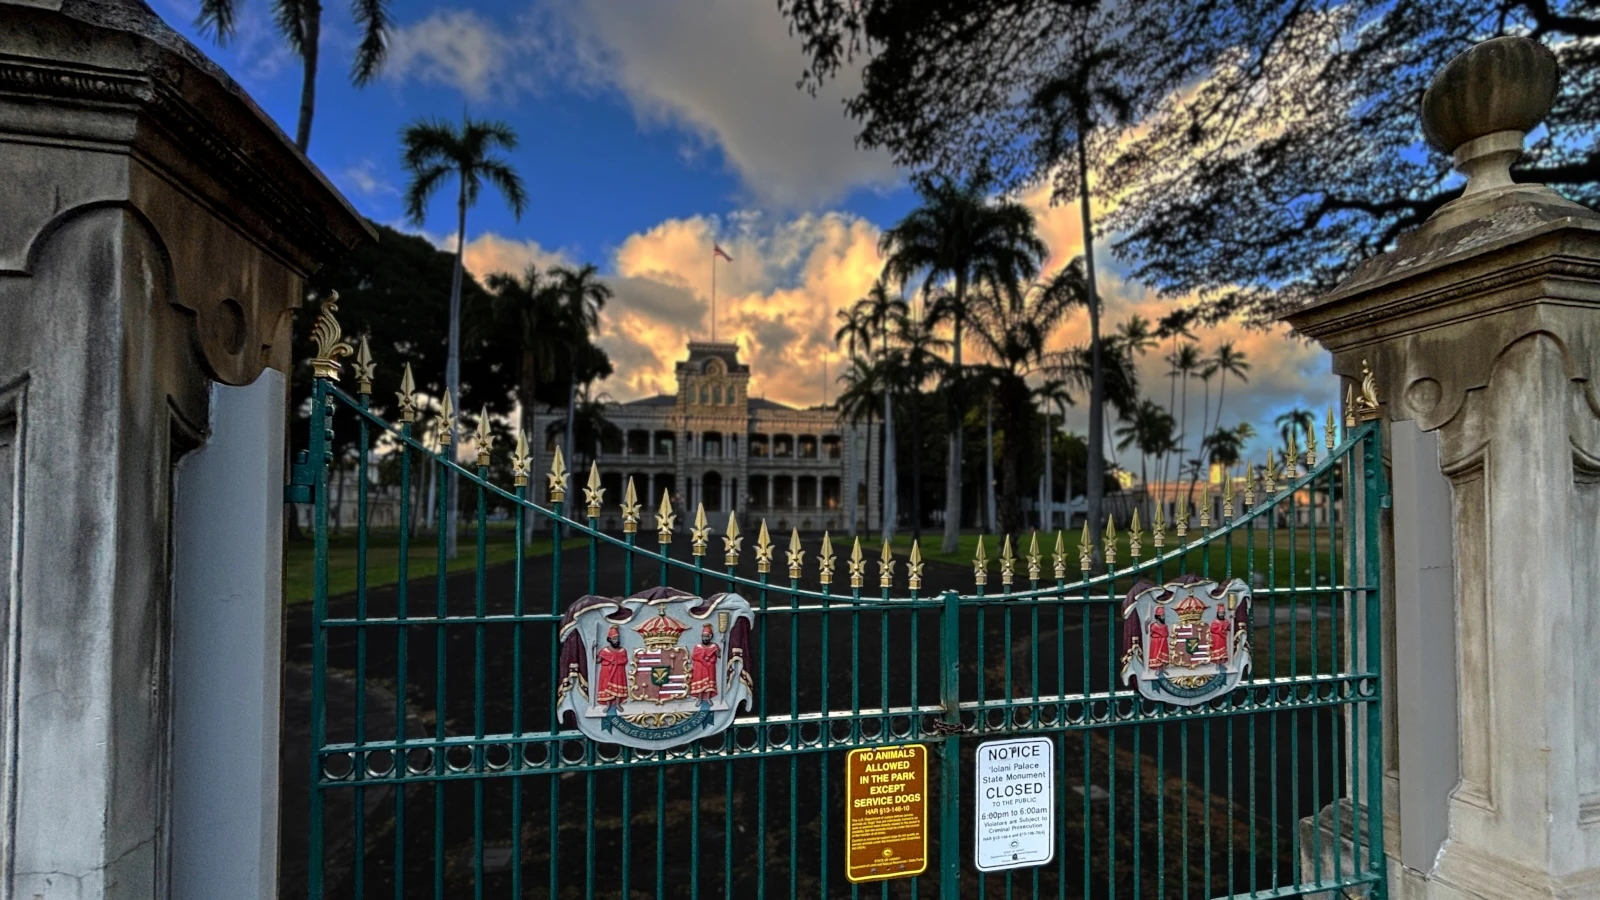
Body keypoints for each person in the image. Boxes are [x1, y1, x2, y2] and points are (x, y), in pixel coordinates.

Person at [596, 625, 630, 709]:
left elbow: (625, 660)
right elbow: (598, 661)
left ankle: (618, 704)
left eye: (618, 639)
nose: (616, 641)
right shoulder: (604, 651)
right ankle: (608, 705)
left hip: (618, 671)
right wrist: (593, 651)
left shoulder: (622, 650)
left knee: (618, 687)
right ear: (609, 639)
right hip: (606, 672)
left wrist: (616, 662)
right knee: (606, 687)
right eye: (614, 639)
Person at [690, 624, 720, 701]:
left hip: (710, 667)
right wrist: (702, 659)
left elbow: (718, 655)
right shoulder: (697, 646)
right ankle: (699, 698)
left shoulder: (714, 646)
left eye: (707, 637)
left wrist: (723, 644)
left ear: (710, 637)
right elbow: (694, 656)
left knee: (709, 683)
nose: (705, 638)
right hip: (700, 668)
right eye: (704, 636)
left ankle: (708, 698)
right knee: (700, 683)